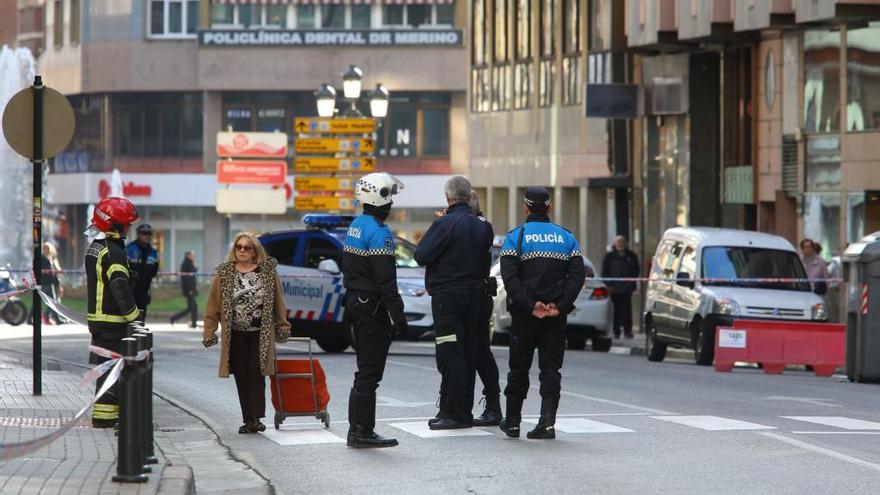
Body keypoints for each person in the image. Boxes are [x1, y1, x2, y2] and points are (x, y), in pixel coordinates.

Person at [498, 187, 586, 440]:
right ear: (549, 208)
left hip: (525, 316)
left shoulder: (517, 237)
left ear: (525, 207)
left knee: (519, 368)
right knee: (551, 370)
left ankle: (513, 422)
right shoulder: (566, 238)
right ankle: (547, 424)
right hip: (555, 317)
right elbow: (577, 276)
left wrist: (529, 305)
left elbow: (510, 278)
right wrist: (560, 305)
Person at [414, 176, 494, 430]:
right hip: (475, 297)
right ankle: (463, 411)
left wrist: (441, 222)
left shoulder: (445, 224)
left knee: (449, 353)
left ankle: (453, 412)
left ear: (448, 197)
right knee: (469, 353)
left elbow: (421, 255)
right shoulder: (483, 226)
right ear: (469, 196)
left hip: (448, 299)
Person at [342, 172, 408, 448]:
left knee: (363, 370)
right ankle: (362, 432)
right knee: (370, 371)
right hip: (372, 308)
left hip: (357, 303)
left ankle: (356, 429)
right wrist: (399, 316)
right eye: (389, 197)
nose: (391, 204)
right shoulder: (378, 232)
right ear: (378, 198)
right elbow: (385, 280)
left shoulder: (356, 224)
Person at [203, 233, 291, 434]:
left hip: (261, 333)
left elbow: (279, 300)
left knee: (257, 373)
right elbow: (212, 306)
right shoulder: (224, 274)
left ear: (255, 251)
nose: (242, 251)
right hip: (235, 334)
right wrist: (209, 331)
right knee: (242, 376)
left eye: (247, 247)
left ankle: (257, 418)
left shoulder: (267, 272)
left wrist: (283, 324)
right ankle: (248, 419)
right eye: (238, 247)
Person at [85, 197, 142, 428]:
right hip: (112, 322)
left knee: (105, 370)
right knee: (114, 372)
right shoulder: (114, 251)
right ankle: (108, 420)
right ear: (115, 224)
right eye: (127, 223)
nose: (129, 227)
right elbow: (119, 288)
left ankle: (104, 417)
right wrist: (135, 317)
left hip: (100, 322)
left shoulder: (96, 247)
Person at [468, 191, 502, 426]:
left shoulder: (479, 226)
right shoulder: (483, 225)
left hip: (476, 296)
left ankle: (492, 406)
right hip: (479, 295)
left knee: (478, 353)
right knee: (479, 354)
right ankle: (491, 405)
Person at [601, 235, 640, 339]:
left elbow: (636, 270)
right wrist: (609, 285)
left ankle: (628, 331)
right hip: (614, 287)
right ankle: (616, 331)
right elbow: (605, 272)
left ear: (625, 243)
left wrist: (631, 283)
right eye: (618, 242)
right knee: (617, 310)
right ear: (615, 243)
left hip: (627, 288)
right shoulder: (609, 256)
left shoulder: (631, 256)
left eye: (622, 242)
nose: (620, 244)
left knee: (627, 309)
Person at [127, 223, 159, 322]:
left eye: (149, 233)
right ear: (138, 234)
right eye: (144, 233)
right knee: (130, 319)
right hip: (130, 290)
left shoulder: (153, 252)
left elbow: (154, 271)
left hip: (144, 290)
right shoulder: (130, 249)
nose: (147, 236)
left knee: (141, 319)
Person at [171, 251, 199, 328]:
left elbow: (192, 275)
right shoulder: (186, 264)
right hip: (189, 289)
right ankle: (174, 318)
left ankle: (193, 323)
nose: (194, 256)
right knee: (192, 308)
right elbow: (187, 278)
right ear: (188, 255)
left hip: (191, 289)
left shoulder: (189, 263)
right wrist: (190, 289)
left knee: (193, 307)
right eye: (192, 255)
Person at [41, 242, 63, 325]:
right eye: (45, 248)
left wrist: (58, 273)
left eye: (48, 248)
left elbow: (56, 270)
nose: (46, 250)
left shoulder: (52, 258)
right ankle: (46, 317)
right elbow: (40, 269)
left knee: (54, 300)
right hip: (44, 282)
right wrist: (45, 271)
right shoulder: (42, 258)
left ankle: (54, 318)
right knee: (46, 300)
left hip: (51, 282)